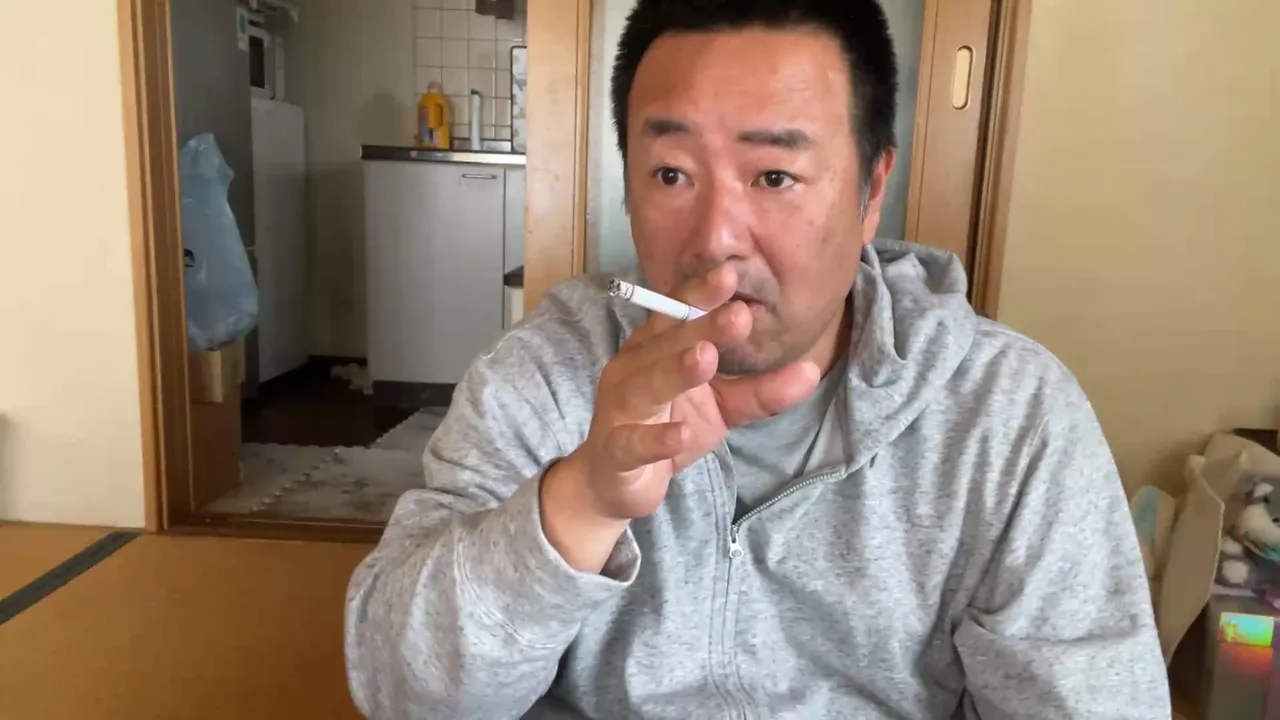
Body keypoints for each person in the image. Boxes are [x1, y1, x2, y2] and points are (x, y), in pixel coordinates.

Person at [344, 0, 1170, 717]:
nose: (714, 241)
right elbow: (401, 692)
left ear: (871, 191)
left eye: (774, 176)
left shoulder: (1008, 416)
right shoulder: (544, 375)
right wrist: (581, 503)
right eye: (672, 173)